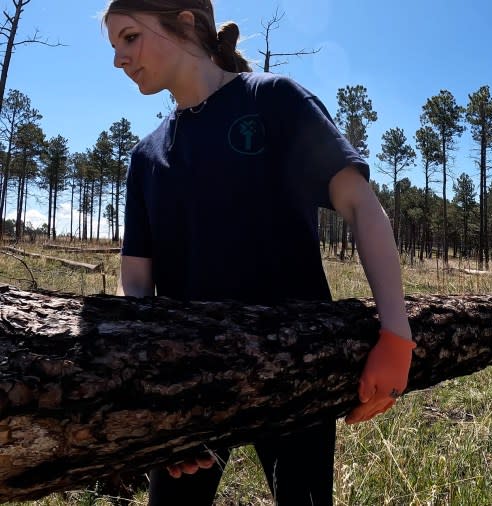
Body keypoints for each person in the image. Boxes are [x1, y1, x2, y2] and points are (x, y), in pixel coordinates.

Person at [105, 1, 413, 504]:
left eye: (130, 37)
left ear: (185, 22)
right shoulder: (147, 157)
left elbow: (360, 205)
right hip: (189, 384)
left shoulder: (274, 101)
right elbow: (135, 282)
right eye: (115, 46)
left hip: (297, 366)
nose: (120, 58)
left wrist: (396, 335)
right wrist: (150, 393)